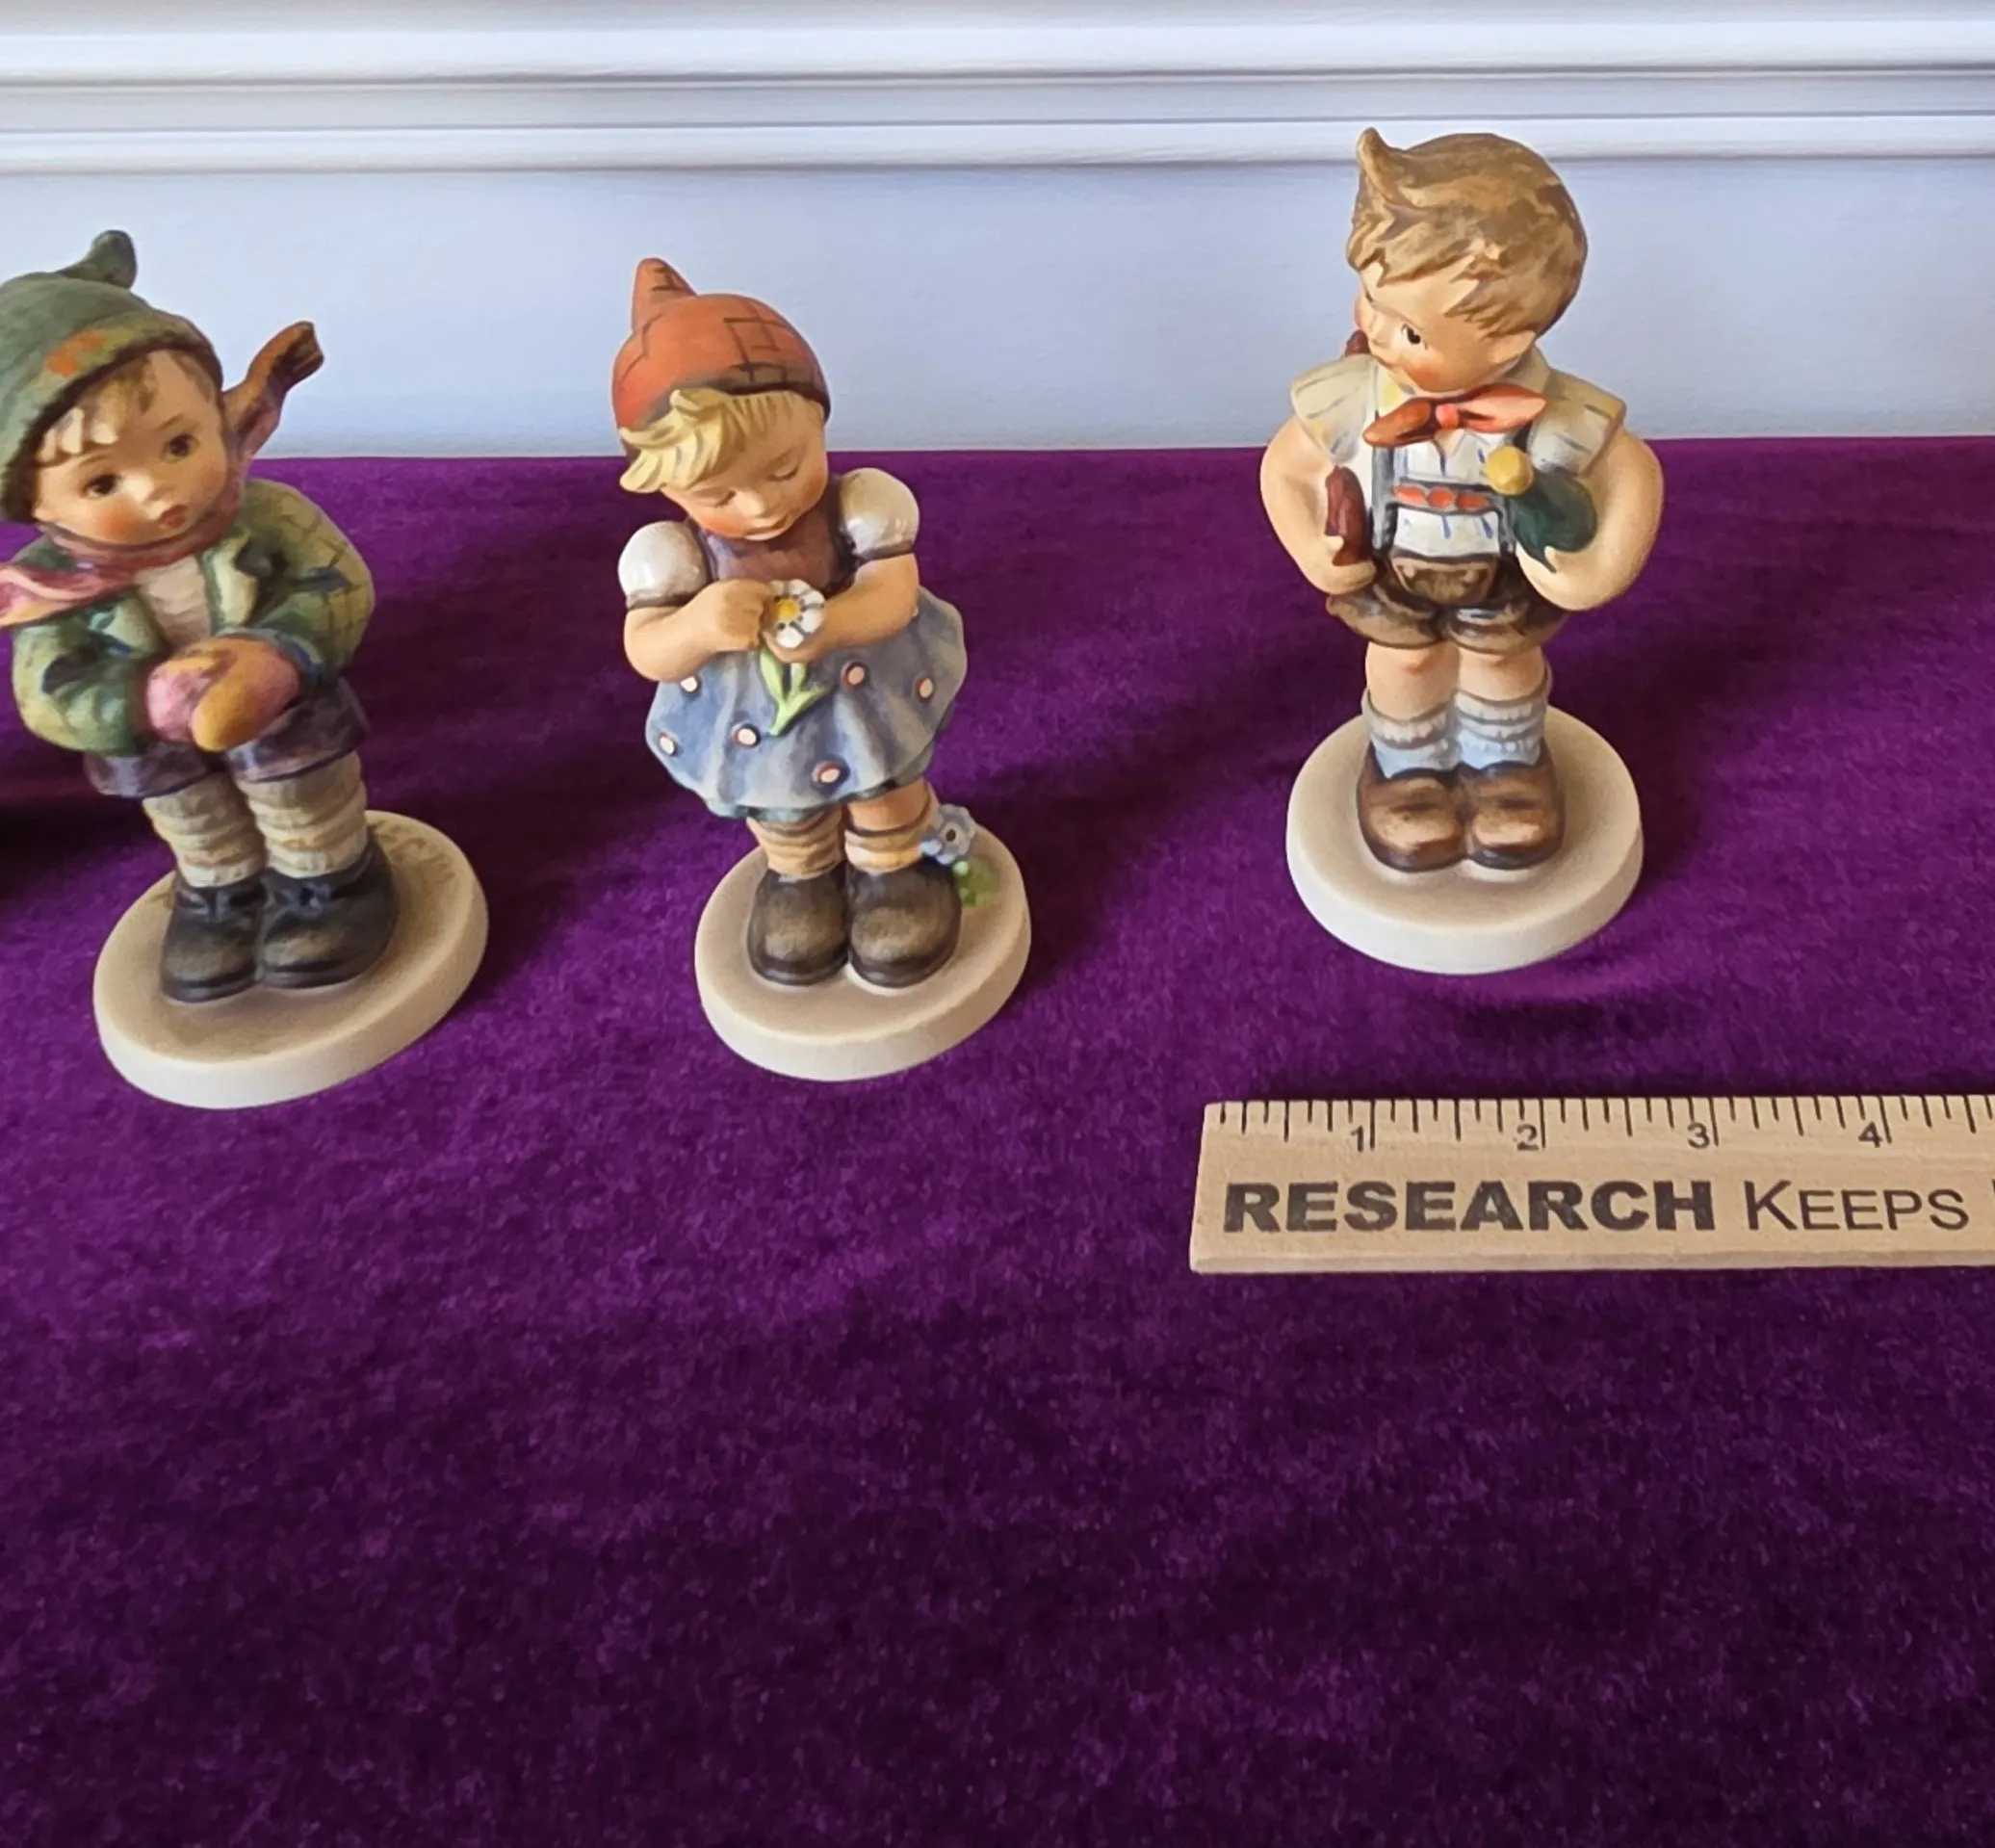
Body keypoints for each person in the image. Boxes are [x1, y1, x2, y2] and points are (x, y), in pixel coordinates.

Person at [0, 231, 393, 1002]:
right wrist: (135, 703)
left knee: (301, 799)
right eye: (102, 482)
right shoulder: (50, 588)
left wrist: (279, 655)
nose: (157, 490)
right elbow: (46, 688)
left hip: (281, 710)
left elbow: (338, 583)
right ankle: (221, 896)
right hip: (156, 744)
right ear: (32, 501)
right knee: (196, 819)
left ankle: (330, 881)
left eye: (179, 444)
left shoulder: (269, 516)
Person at [1261, 131, 1664, 872]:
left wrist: (1596, 571)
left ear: (1507, 345)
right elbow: (1285, 467)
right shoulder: (1354, 397)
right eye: (1372, 301)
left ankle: (1508, 771)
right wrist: (1313, 547)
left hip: (1502, 578)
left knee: (1500, 666)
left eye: (1412, 331)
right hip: (1396, 572)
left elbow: (1633, 475)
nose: (1379, 335)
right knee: (1404, 667)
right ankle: (1407, 771)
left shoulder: (1552, 416)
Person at [612, 259, 970, 989]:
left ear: (818, 423)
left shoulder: (860, 505)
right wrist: (699, 626)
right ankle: (801, 879)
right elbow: (646, 649)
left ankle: (894, 872)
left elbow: (894, 593)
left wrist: (836, 622)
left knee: (886, 786)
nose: (759, 507)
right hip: (753, 716)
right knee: (781, 808)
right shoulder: (673, 555)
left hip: (862, 689)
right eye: (718, 495)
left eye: (784, 469)